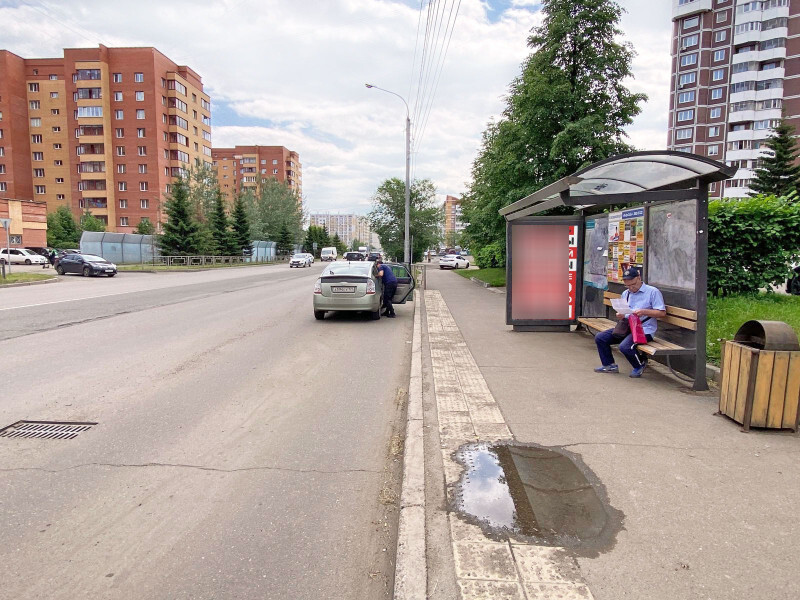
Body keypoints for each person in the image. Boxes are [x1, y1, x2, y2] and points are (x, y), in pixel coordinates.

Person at [594, 267, 666, 378]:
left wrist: (644, 312)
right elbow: (625, 312)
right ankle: (609, 365)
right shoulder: (626, 293)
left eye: (633, 284)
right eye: (627, 285)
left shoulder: (653, 292)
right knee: (600, 337)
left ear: (639, 278)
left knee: (625, 346)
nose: (630, 288)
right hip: (628, 327)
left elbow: (661, 313)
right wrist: (621, 315)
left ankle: (639, 365)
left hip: (645, 330)